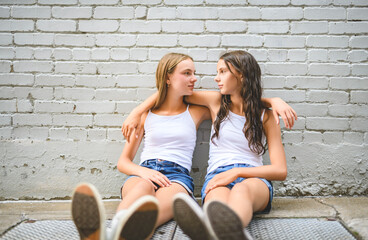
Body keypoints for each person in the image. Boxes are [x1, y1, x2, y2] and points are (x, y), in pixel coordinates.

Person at [122, 51, 294, 240]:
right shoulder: (216, 103)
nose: (216, 77)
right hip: (217, 176)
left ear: (241, 75)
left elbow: (280, 170)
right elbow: (174, 93)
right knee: (216, 212)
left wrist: (238, 173)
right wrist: (136, 111)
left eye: (222, 71)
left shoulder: (267, 116)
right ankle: (120, 231)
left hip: (253, 178)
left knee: (241, 190)